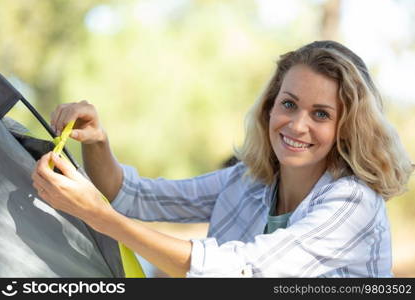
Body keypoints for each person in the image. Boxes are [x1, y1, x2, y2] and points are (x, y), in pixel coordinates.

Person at [31, 40, 413, 277]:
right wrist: (97, 141)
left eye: (321, 114)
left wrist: (100, 218)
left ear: (347, 127)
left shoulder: (353, 201)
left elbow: (246, 272)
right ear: (269, 108)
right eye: (289, 104)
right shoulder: (248, 181)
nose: (297, 125)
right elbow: (131, 194)